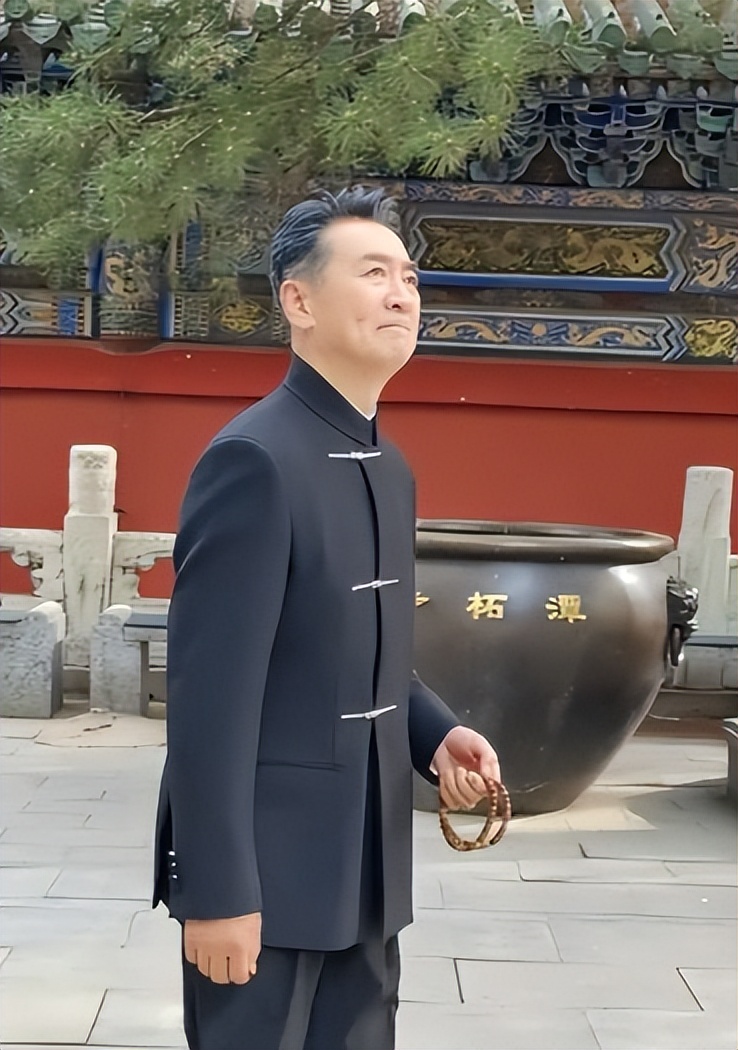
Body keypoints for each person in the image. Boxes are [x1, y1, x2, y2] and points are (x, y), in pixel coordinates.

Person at [153, 186, 501, 1050]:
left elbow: (347, 644)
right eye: (373, 273)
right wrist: (217, 893)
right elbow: (208, 699)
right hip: (268, 876)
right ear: (299, 302)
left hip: (368, 864)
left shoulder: (388, 465)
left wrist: (435, 733)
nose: (401, 294)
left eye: (409, 277)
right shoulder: (255, 460)